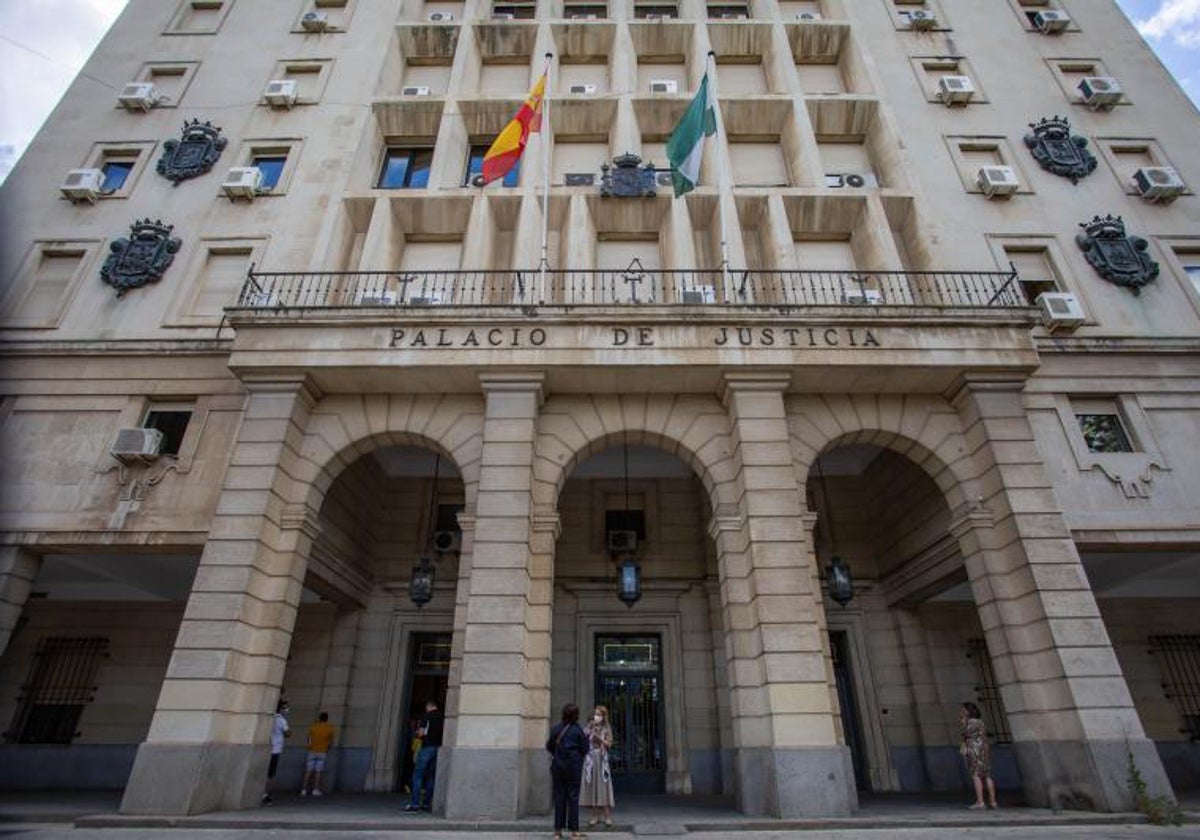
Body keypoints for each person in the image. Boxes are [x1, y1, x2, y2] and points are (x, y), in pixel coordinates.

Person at [546, 702, 589, 840]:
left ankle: (557, 832)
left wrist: (559, 755)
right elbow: (585, 749)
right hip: (573, 768)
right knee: (573, 798)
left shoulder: (556, 729)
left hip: (558, 768)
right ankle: (574, 831)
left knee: (559, 798)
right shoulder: (578, 730)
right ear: (576, 715)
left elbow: (549, 746)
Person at [404, 699, 443, 812]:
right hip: (438, 748)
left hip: (427, 747)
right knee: (431, 777)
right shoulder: (442, 717)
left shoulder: (426, 716)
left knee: (418, 776)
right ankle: (426, 804)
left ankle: (415, 804)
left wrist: (416, 733)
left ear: (428, 707)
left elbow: (421, 733)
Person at [959, 701, 998, 810]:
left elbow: (965, 735)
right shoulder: (980, 722)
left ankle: (980, 802)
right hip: (983, 749)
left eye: (963, 710)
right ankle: (993, 802)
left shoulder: (970, 722)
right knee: (987, 775)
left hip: (973, 749)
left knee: (976, 775)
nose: (961, 712)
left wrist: (963, 723)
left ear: (967, 711)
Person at [581, 705, 614, 828]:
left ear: (603, 716)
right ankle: (595, 817)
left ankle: (607, 817)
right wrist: (589, 729)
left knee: (604, 787)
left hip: (602, 760)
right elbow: (582, 738)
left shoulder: (606, 728)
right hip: (590, 759)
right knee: (593, 787)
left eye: (599, 714)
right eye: (595, 714)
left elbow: (609, 744)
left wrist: (599, 738)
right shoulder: (589, 727)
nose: (596, 717)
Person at [301, 711, 336, 797]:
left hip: (312, 751)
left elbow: (309, 738)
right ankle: (315, 789)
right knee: (318, 772)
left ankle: (303, 789)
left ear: (319, 718)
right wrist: (327, 748)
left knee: (308, 771)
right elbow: (331, 741)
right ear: (326, 719)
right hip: (322, 752)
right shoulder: (330, 728)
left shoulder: (313, 726)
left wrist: (309, 747)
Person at [262, 699, 289, 804]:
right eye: (285, 707)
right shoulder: (282, 720)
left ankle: (263, 793)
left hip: (267, 747)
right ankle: (265, 794)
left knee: (266, 772)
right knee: (270, 774)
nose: (287, 709)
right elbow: (287, 733)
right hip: (275, 749)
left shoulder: (270, 718)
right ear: (281, 708)